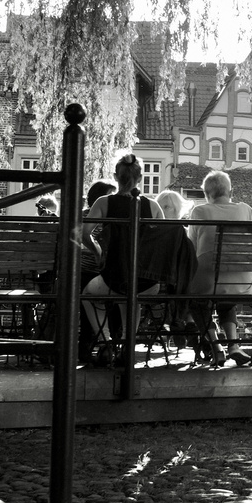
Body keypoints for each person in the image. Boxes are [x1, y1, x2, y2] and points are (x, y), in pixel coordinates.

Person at [78, 156, 159, 365]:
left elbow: (84, 234)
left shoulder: (105, 202)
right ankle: (127, 346)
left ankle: (106, 342)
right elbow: (162, 240)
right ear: (140, 177)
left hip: (116, 277)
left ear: (115, 177)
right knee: (132, 298)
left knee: (87, 295)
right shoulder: (153, 206)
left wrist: (97, 252)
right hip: (148, 282)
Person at [186, 170, 252, 367]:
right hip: (241, 283)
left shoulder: (199, 211)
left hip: (208, 281)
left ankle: (216, 347)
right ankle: (234, 346)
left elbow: (191, 248)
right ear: (230, 191)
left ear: (206, 194)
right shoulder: (245, 209)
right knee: (226, 294)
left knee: (194, 301)